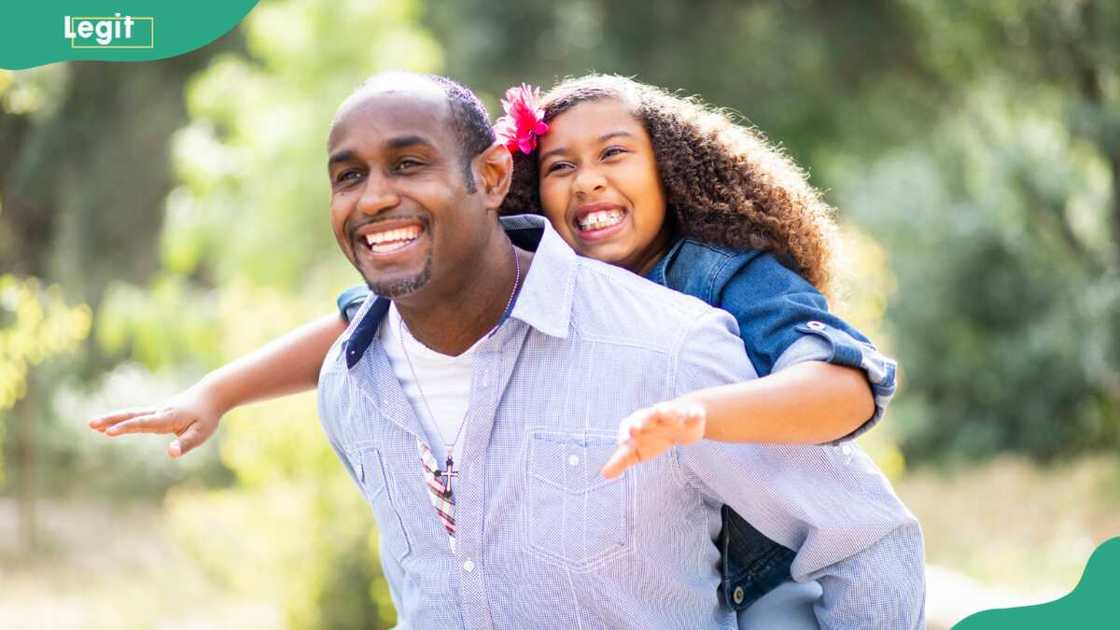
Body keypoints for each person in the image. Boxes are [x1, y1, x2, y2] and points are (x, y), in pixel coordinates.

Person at [90, 73, 921, 628]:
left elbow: (847, 430)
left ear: (488, 179)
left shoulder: (702, 312)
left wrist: (702, 412)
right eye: (348, 176)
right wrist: (217, 393)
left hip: (758, 573)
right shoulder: (361, 378)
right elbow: (344, 329)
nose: (376, 196)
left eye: (410, 164)